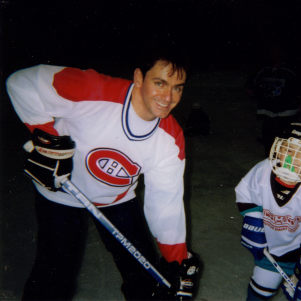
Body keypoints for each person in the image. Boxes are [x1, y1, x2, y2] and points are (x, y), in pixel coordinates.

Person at [6, 49, 200, 300]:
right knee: (53, 280)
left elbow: (165, 204)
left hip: (116, 198)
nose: (168, 97)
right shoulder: (92, 89)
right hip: (62, 192)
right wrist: (46, 139)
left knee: (148, 278)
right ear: (139, 78)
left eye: (178, 88)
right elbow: (21, 82)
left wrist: (177, 261)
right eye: (160, 83)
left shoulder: (170, 138)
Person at [235, 122, 301, 301]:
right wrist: (253, 221)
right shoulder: (263, 169)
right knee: (260, 288)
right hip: (274, 249)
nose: (291, 159)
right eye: (287, 150)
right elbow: (245, 193)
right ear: (277, 148)